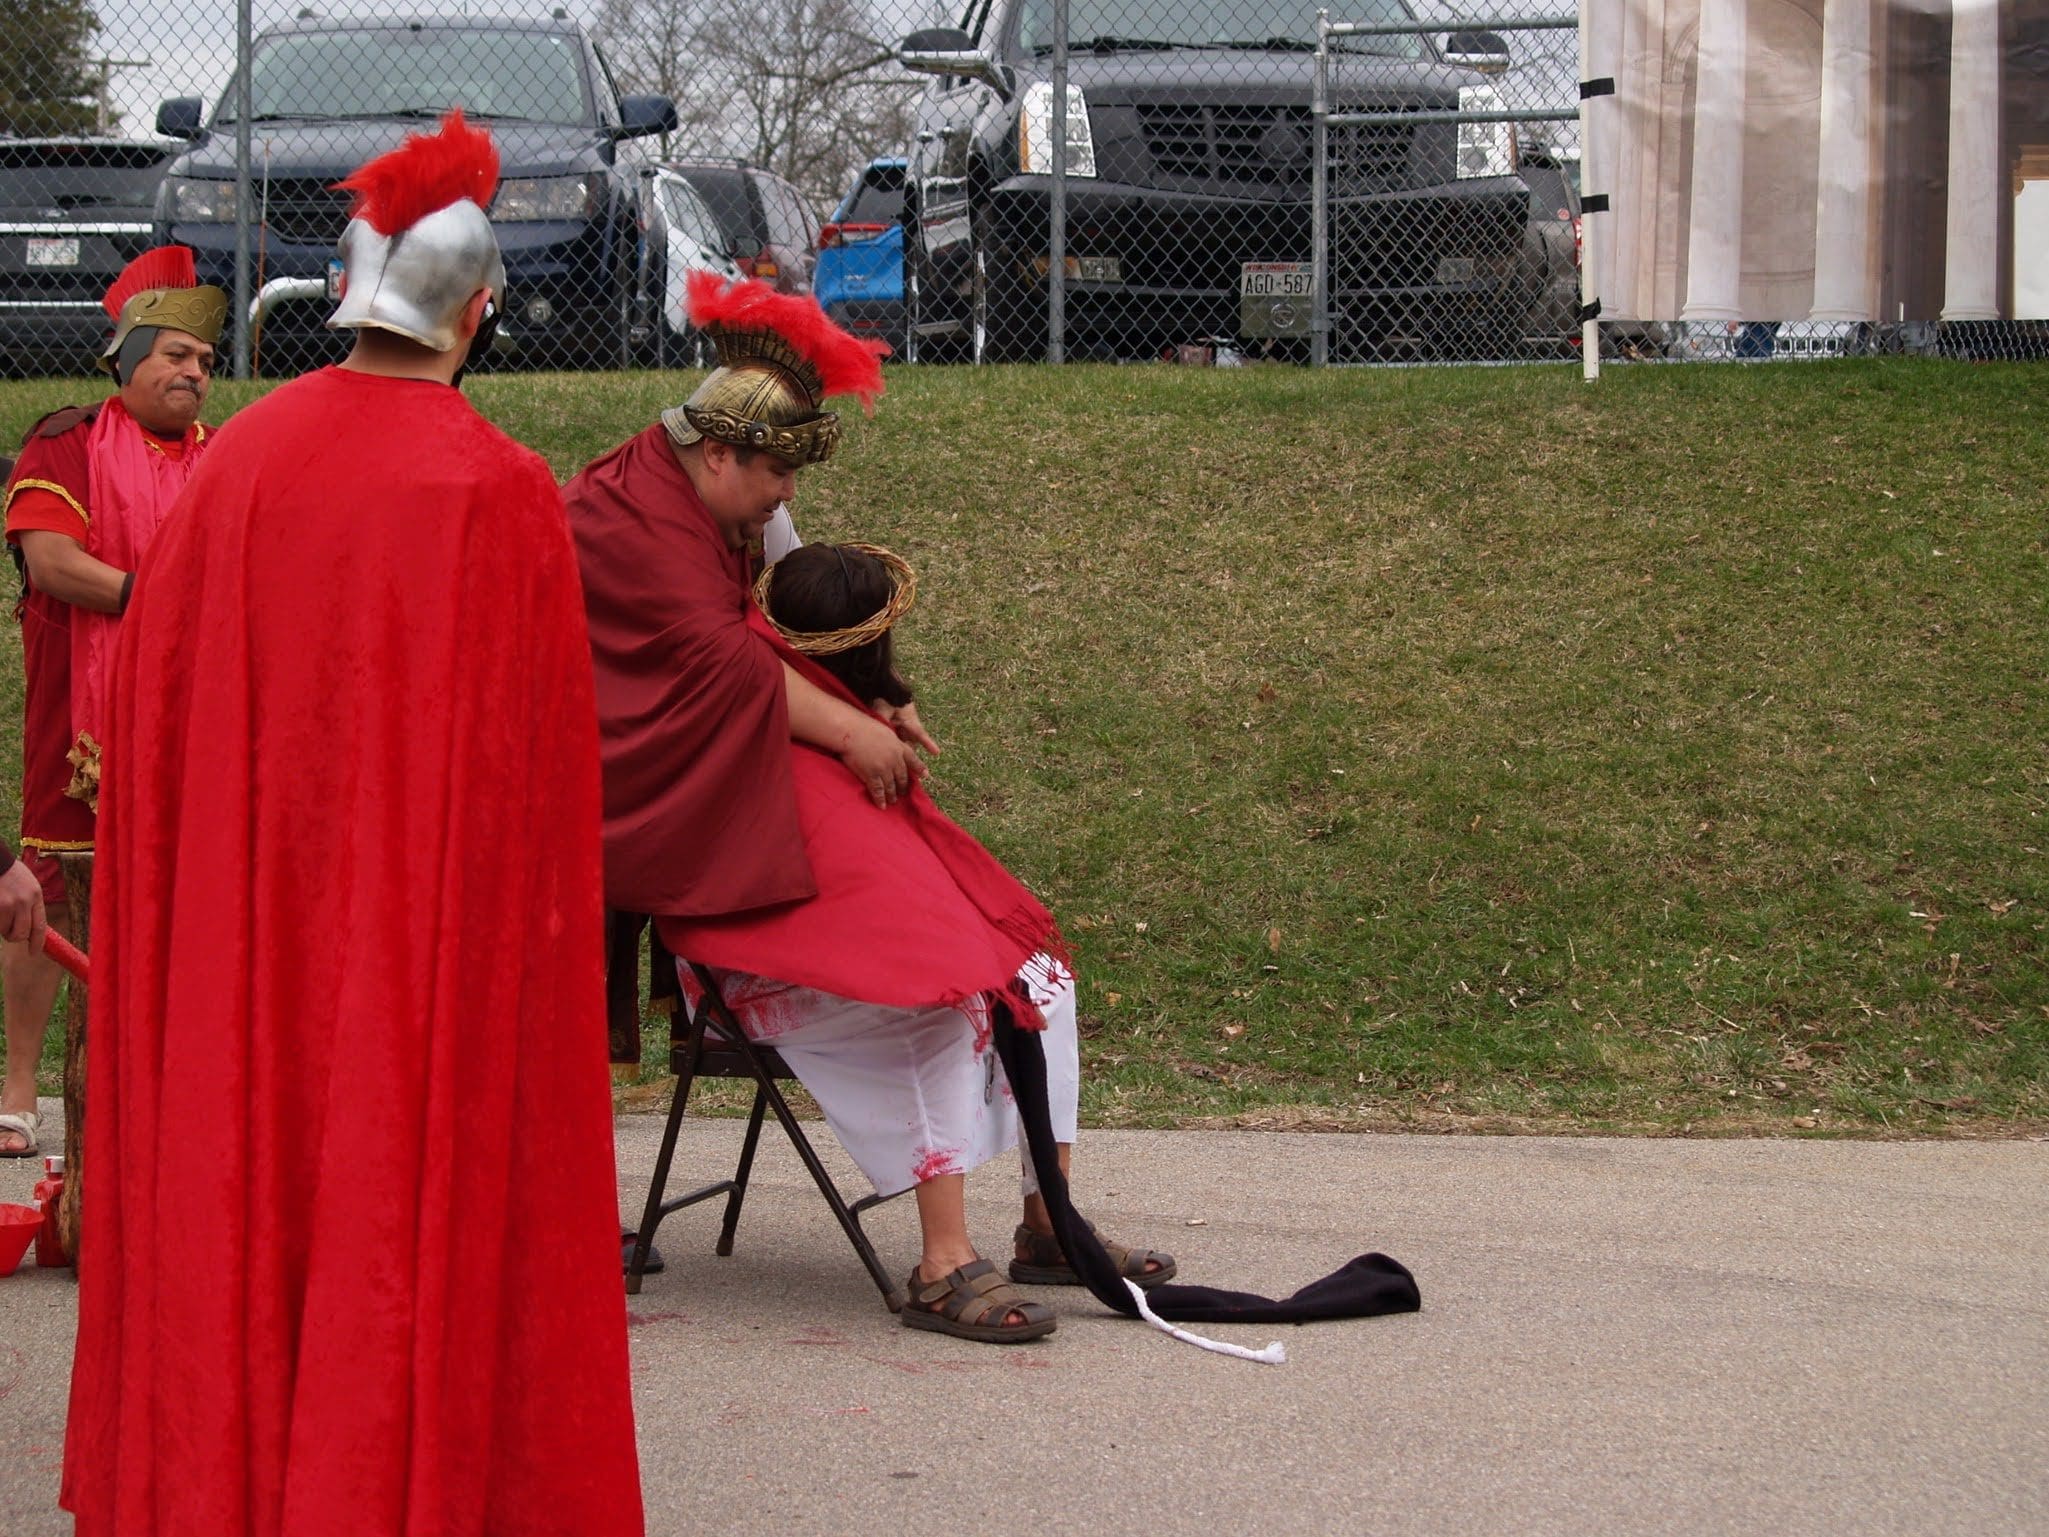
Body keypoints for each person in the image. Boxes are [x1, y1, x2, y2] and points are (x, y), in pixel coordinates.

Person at [61, 112, 643, 1535]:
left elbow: (155, 710)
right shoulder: (497, 489)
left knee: (250, 1185)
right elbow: (532, 789)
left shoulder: (238, 462)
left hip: (245, 940)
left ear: (345, 292)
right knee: (398, 1205)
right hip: (416, 957)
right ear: (479, 313)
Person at [564, 274, 1174, 1345]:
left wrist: (872, 690)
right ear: (720, 455)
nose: (783, 498)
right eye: (776, 475)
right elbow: (716, 658)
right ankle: (942, 1265)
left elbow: (784, 622)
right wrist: (848, 732)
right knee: (935, 996)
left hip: (775, 822)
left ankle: (1050, 1222)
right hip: (715, 869)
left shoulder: (727, 501)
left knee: (1040, 973)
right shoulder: (626, 524)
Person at [0, 246, 222, 1159]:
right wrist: (157, 596)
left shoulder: (224, 457)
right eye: (176, 355)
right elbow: (52, 561)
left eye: (205, 360)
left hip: (196, 708)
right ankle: (19, 1089)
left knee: (189, 894)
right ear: (127, 361)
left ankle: (173, 1084)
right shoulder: (66, 440)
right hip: (79, 711)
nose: (194, 372)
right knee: (47, 890)